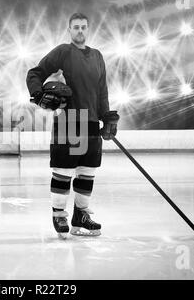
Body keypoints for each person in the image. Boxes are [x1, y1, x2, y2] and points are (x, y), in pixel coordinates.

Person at [26, 12, 119, 238]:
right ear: (69, 30)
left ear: (88, 30)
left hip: (90, 122)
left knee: (87, 172)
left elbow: (102, 92)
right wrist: (37, 93)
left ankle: (81, 216)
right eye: (76, 27)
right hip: (67, 120)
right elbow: (35, 73)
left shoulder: (97, 56)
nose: (80, 31)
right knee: (63, 171)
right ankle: (59, 215)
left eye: (84, 27)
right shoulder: (63, 52)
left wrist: (106, 117)